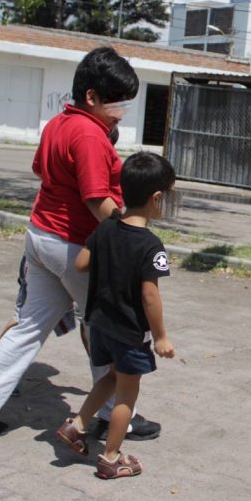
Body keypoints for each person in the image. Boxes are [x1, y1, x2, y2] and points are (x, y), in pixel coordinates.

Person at [0, 47, 158, 440]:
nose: (121, 112)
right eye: (116, 103)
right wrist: (131, 235)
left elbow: (42, 169)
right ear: (91, 97)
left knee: (28, 328)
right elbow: (97, 200)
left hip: (40, 236)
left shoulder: (59, 123)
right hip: (73, 247)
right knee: (108, 329)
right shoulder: (90, 135)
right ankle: (113, 415)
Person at [56, 151, 176, 479]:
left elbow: (81, 264)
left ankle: (77, 425)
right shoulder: (151, 246)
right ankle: (110, 457)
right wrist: (161, 336)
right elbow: (150, 295)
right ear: (156, 199)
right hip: (129, 332)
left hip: (99, 324)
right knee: (127, 392)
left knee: (110, 377)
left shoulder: (107, 229)